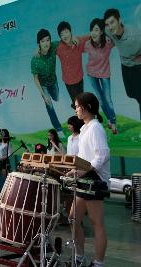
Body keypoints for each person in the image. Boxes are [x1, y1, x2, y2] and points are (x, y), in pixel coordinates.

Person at [66, 92, 110, 267]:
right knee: (73, 218)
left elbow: (102, 156)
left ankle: (98, 263)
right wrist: (75, 170)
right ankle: (79, 255)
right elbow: (86, 157)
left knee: (96, 222)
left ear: (87, 107)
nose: (76, 109)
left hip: (95, 178)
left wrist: (84, 170)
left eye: (78, 106)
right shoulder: (85, 128)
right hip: (86, 176)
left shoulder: (95, 128)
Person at [104, 8, 141, 119]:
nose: (110, 27)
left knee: (140, 97)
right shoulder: (108, 31)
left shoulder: (135, 36)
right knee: (130, 93)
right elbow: (96, 32)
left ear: (119, 20)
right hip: (125, 66)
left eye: (112, 22)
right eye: (107, 24)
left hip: (138, 67)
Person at [83, 18, 117, 134]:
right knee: (101, 99)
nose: (93, 33)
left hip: (104, 73)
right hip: (91, 74)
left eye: (96, 30)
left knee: (108, 99)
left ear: (101, 31)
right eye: (92, 30)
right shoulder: (87, 44)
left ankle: (113, 122)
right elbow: (75, 43)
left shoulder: (108, 42)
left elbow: (116, 36)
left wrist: (106, 33)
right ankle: (108, 118)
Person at [31, 29, 64, 137]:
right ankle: (58, 129)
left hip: (53, 82)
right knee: (49, 105)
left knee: (56, 98)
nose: (46, 43)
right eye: (43, 41)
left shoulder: (53, 46)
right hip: (43, 85)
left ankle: (53, 94)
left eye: (47, 40)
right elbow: (35, 78)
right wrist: (43, 95)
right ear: (39, 43)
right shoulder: (35, 60)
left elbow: (64, 41)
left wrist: (73, 39)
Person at [56, 21, 88, 108]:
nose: (65, 36)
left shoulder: (78, 41)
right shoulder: (58, 47)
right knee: (77, 103)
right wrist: (38, 49)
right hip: (69, 81)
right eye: (62, 34)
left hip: (79, 78)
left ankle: (78, 106)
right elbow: (47, 47)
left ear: (70, 32)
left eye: (66, 32)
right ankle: (76, 107)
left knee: (81, 99)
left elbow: (90, 36)